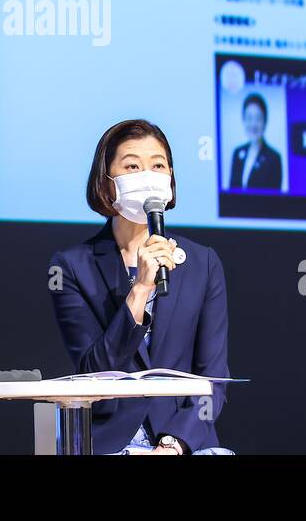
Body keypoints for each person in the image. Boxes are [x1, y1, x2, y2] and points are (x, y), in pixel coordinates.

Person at [49, 119, 232, 454]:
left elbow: (214, 378)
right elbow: (93, 375)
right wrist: (140, 290)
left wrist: (174, 443)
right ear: (106, 183)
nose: (147, 176)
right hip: (112, 442)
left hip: (183, 442)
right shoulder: (71, 266)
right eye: (132, 165)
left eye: (158, 165)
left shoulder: (203, 263)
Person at [228, 92, 283, 191]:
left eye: (258, 118)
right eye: (249, 118)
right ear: (243, 120)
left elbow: (274, 198)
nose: (253, 124)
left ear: (265, 121)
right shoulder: (237, 153)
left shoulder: (274, 158)